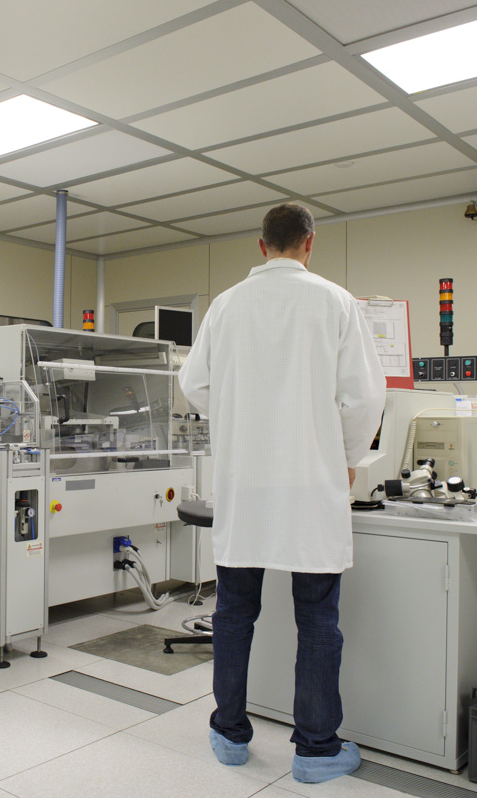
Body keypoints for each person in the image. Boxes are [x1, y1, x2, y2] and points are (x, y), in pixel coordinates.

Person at [178, 204, 385, 783]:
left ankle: (229, 734)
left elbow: (194, 383)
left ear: (261, 245)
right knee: (317, 619)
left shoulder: (226, 305)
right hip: (309, 483)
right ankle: (316, 750)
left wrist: (236, 415)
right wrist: (346, 457)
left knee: (233, 613)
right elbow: (365, 398)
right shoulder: (335, 301)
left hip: (244, 483)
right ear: (309, 244)